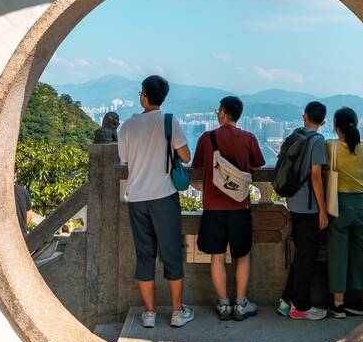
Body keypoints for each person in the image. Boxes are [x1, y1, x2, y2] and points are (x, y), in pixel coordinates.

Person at [117, 75, 194, 329]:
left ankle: (149, 313)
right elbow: (185, 154)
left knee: (144, 255)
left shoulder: (127, 126)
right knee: (171, 254)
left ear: (143, 96)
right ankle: (176, 311)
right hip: (164, 196)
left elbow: (125, 160)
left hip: (137, 198)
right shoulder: (169, 121)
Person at [190, 95, 265, 320]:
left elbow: (196, 168)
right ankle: (241, 304)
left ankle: (224, 304)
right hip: (239, 206)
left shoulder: (207, 138)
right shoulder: (248, 138)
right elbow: (258, 164)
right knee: (243, 256)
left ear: (222, 112)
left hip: (213, 207)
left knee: (217, 256)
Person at [327, 106, 363, 318]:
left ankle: (339, 304)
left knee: (337, 254)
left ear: (336, 126)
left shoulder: (330, 147)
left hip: (338, 203)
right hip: (361, 204)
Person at [276, 101, 331, 321]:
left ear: (304, 116)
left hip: (293, 202)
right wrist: (323, 209)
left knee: (301, 255)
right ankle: (301, 306)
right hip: (309, 206)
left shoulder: (296, 135)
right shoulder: (317, 141)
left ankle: (285, 301)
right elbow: (316, 175)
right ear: (324, 121)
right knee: (306, 258)